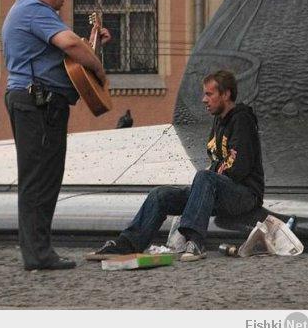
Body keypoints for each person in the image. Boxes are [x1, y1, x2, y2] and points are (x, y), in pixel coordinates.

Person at [2, 0, 111, 270]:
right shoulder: (35, 10)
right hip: (38, 103)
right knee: (40, 178)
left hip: (38, 102)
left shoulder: (29, 10)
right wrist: (100, 70)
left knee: (44, 176)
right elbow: (71, 46)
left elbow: (68, 50)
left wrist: (93, 45)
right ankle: (38, 254)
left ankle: (39, 250)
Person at [93, 70, 264, 262]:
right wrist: (204, 187)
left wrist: (209, 179)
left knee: (204, 177)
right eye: (204, 94)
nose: (203, 100)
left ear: (226, 94)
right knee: (161, 195)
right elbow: (215, 160)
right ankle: (128, 243)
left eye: (209, 94)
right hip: (219, 190)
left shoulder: (242, 119)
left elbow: (238, 168)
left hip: (245, 194)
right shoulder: (219, 121)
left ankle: (195, 242)